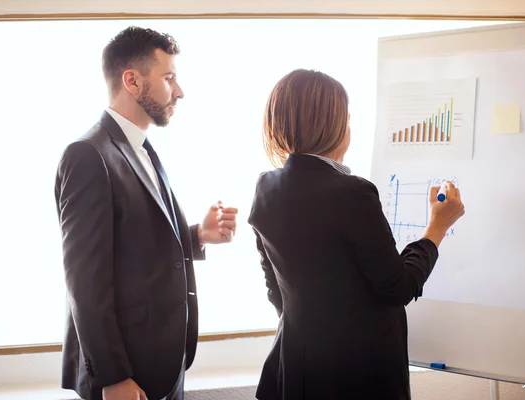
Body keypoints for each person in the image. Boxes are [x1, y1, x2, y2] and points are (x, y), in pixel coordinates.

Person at [248, 69, 465, 400]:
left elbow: (276, 292)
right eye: (347, 119)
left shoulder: (266, 187)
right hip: (357, 376)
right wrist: (437, 227)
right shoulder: (352, 193)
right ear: (333, 126)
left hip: (293, 369)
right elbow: (398, 288)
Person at [54, 26, 238, 400]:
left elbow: (131, 245)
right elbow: (85, 281)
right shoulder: (88, 155)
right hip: (126, 375)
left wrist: (197, 235)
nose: (180, 90)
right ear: (132, 81)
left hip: (162, 364)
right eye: (169, 77)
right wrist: (113, 377)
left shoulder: (141, 146)